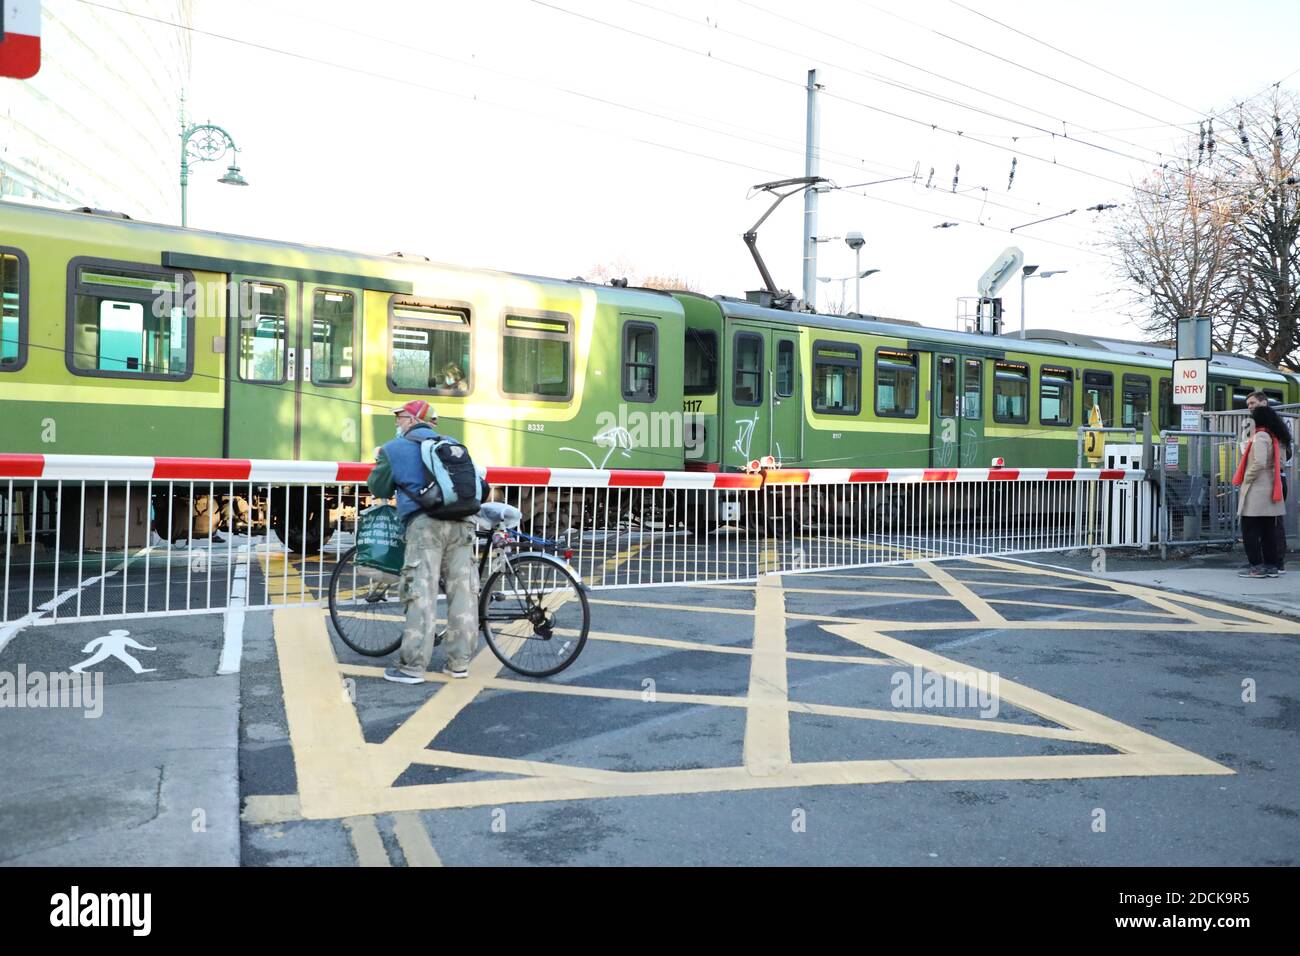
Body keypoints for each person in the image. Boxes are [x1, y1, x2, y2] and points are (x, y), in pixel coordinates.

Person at [367, 399, 480, 682]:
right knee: (463, 594)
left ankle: (413, 667)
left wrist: (383, 461)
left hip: (425, 526)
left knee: (421, 593)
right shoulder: (453, 444)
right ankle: (459, 664)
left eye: (400, 417)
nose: (397, 423)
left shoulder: (394, 449)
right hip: (462, 524)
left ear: (414, 420)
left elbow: (378, 486)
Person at [1234, 403, 1290, 578]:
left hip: (1256, 489)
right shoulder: (1277, 437)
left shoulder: (1260, 437)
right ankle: (1271, 565)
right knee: (1268, 530)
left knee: (1250, 529)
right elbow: (1281, 462)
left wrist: (1247, 478)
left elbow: (1258, 462)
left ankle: (1256, 565)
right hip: (1272, 487)